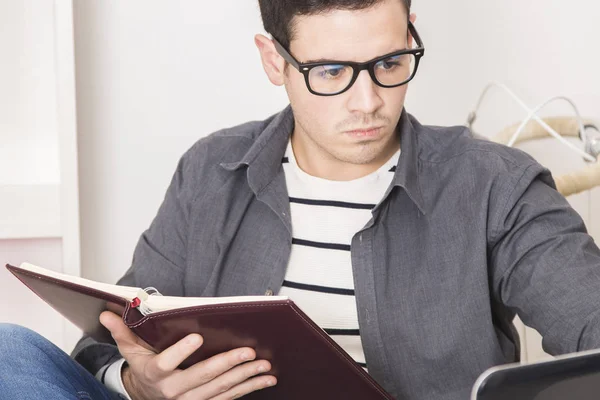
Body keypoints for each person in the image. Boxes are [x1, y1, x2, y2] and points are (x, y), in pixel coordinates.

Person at [2, 0, 600, 399]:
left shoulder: (497, 185)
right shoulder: (211, 171)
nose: (367, 101)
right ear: (274, 61)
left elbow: (591, 323)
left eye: (390, 62)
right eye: (332, 72)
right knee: (11, 351)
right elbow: (104, 340)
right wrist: (139, 383)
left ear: (411, 32)